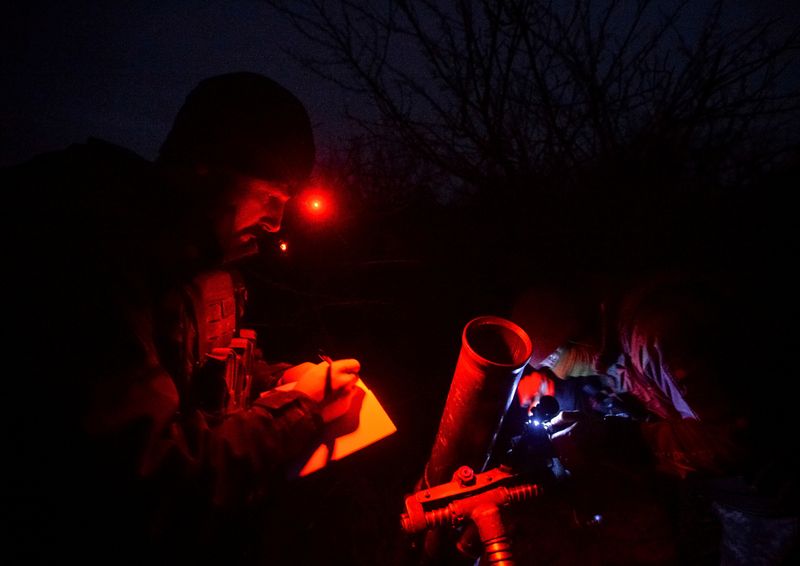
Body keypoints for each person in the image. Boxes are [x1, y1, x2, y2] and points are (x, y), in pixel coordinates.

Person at [1, 72, 362, 564]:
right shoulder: (86, 255)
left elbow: (203, 371)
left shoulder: (192, 258)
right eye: (272, 198)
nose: (276, 224)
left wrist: (282, 380)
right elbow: (151, 480)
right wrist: (298, 412)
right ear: (206, 167)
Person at [507, 270, 798, 564]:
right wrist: (554, 392)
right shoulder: (612, 342)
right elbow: (617, 386)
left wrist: (621, 438)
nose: (557, 374)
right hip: (712, 489)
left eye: (550, 365)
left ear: (569, 343)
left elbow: (730, 440)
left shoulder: (654, 336)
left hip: (766, 496)